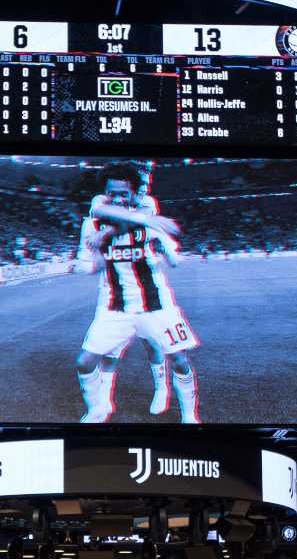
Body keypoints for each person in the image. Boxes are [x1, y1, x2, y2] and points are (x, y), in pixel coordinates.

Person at [75, 162, 201, 423]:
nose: (118, 198)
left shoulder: (148, 218)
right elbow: (89, 266)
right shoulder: (92, 224)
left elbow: (174, 258)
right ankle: (97, 409)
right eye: (113, 194)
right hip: (115, 306)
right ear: (105, 194)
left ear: (135, 194)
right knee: (85, 362)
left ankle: (189, 415)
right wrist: (96, 251)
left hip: (155, 305)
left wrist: (163, 247)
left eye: (124, 194)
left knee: (178, 358)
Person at [87, 166, 179, 415]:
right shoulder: (101, 199)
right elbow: (102, 211)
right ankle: (104, 400)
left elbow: (134, 222)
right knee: (109, 350)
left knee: (152, 343)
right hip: (110, 291)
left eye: (125, 192)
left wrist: (106, 231)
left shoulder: (146, 201)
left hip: (144, 289)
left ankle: (162, 389)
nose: (117, 197)